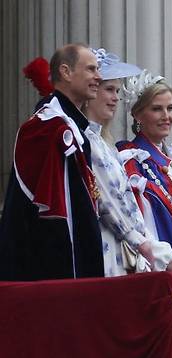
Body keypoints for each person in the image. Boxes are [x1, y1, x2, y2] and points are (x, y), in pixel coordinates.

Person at [0, 44, 104, 280]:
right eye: (90, 69)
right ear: (66, 72)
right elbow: (49, 214)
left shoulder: (71, 127)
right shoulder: (45, 128)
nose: (98, 77)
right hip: (50, 270)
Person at [82, 48, 172, 276]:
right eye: (109, 89)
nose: (115, 97)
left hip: (136, 249)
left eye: (117, 90)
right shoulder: (91, 142)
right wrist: (153, 252)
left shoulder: (104, 142)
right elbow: (113, 206)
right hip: (114, 249)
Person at [118, 72, 172, 271]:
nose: (166, 116)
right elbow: (137, 223)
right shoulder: (131, 160)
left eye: (170, 108)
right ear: (137, 115)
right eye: (157, 109)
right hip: (159, 271)